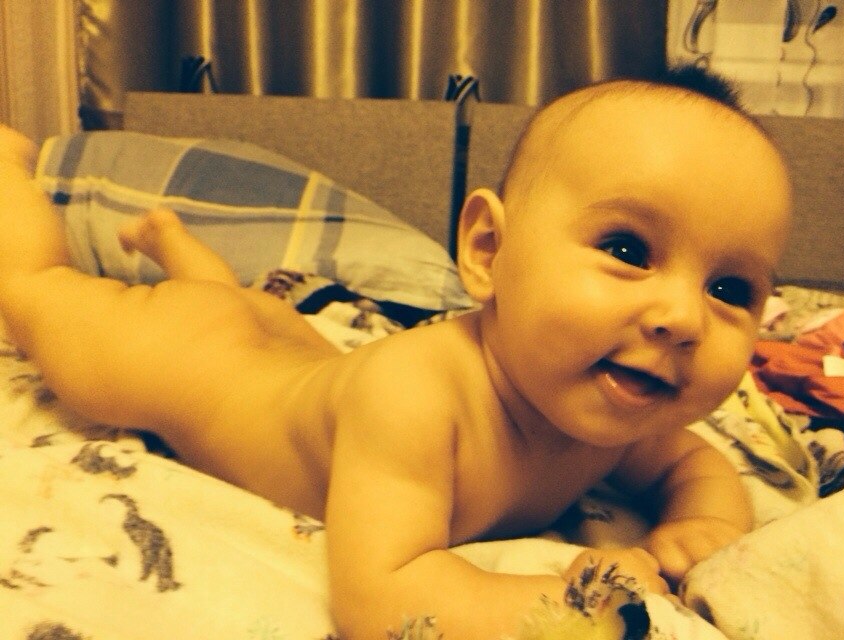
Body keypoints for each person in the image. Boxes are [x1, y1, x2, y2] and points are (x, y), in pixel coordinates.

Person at [0, 67, 791, 639]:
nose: (683, 317)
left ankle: (179, 248)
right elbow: (382, 595)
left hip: (286, 351)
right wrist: (570, 606)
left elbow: (695, 464)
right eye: (627, 250)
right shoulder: (418, 396)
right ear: (488, 251)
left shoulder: (619, 404)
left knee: (260, 319)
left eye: (730, 289)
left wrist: (702, 524)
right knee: (40, 295)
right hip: (196, 361)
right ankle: (9, 169)